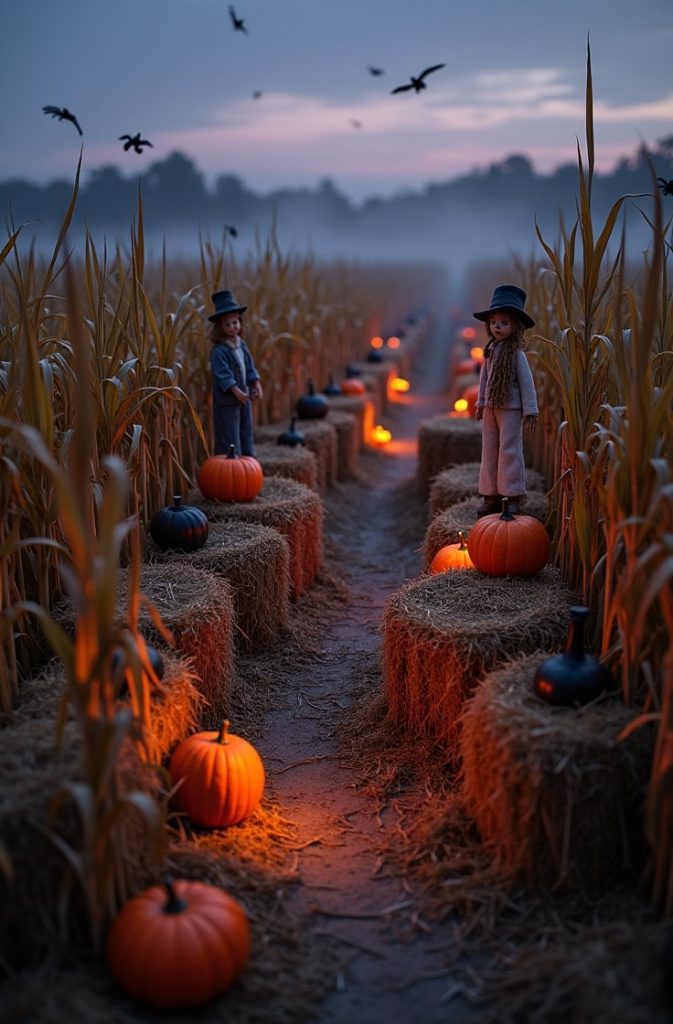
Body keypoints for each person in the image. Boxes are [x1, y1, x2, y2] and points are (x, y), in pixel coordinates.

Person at [473, 285, 538, 517]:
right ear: (488, 325)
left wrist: (531, 410)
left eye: (504, 322)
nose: (498, 327)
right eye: (494, 322)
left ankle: (512, 496)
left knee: (509, 450)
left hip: (510, 408)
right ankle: (490, 496)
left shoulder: (517, 355)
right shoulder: (490, 351)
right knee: (489, 449)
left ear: (515, 327)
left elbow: (526, 383)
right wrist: (481, 402)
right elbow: (484, 379)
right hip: (490, 408)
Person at [208, 289, 263, 456]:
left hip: (244, 399)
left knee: (246, 432)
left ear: (240, 322)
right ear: (219, 327)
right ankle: (233, 466)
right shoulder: (219, 351)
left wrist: (256, 383)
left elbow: (249, 366)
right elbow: (223, 375)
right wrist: (235, 390)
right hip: (228, 402)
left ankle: (248, 462)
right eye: (227, 324)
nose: (233, 327)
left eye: (235, 323)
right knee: (229, 435)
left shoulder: (241, 345)